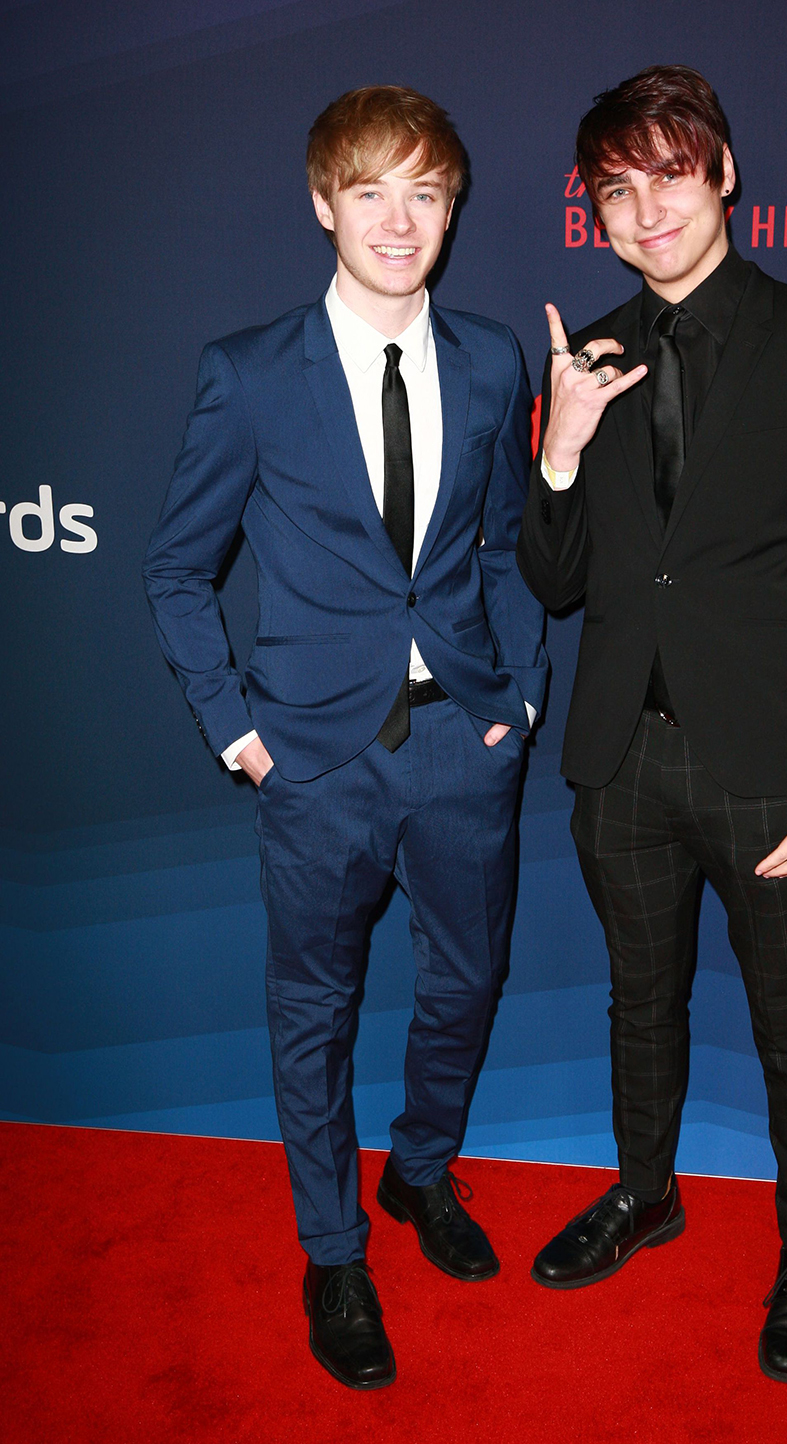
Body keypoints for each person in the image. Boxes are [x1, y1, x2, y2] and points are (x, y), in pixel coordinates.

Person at [143, 85, 546, 1391]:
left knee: (467, 979)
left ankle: (421, 1174)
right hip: (312, 759)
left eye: (423, 192)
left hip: (462, 747)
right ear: (323, 204)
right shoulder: (248, 373)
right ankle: (333, 1252)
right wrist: (238, 737)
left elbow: (497, 550)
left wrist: (518, 698)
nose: (396, 218)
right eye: (368, 190)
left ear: (453, 209)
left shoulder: (492, 361)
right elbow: (174, 571)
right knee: (311, 1012)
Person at [517, 64, 787, 1384]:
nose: (646, 212)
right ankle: (648, 1192)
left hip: (768, 770)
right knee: (643, 1001)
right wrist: (562, 447)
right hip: (619, 760)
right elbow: (558, 580)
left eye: (670, 175)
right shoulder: (597, 356)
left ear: (724, 172)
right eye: (617, 192)